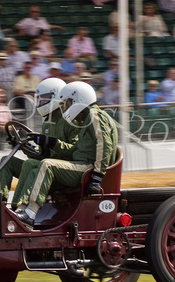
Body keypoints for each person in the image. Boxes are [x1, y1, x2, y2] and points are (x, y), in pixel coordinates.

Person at [13, 81, 118, 228]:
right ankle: (18, 208)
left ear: (79, 99)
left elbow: (103, 144)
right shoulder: (87, 119)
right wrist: (48, 142)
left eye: (68, 103)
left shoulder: (94, 115)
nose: (66, 107)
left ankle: (30, 213)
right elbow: (76, 151)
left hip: (86, 168)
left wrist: (96, 177)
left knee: (47, 164)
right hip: (81, 164)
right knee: (35, 164)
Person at [0, 78, 78, 201]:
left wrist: (51, 142)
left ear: (57, 97)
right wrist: (24, 147)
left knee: (31, 164)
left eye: (44, 99)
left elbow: (75, 153)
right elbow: (42, 156)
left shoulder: (71, 120)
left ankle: (18, 204)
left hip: (65, 172)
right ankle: (0, 201)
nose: (41, 103)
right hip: (47, 168)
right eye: (39, 100)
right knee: (7, 161)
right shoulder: (47, 123)